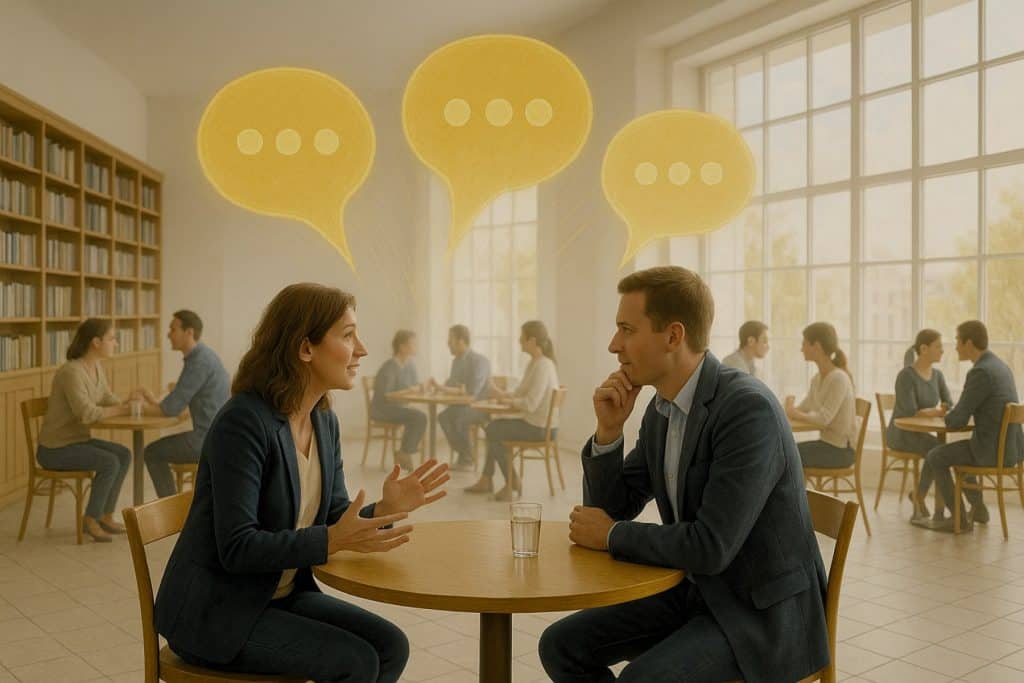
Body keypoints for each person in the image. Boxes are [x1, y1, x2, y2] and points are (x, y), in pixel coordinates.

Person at [538, 266, 828, 682]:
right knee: (560, 645)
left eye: (626, 329)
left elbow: (710, 546)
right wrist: (609, 432)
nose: (614, 345)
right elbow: (609, 509)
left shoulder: (747, 410)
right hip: (698, 592)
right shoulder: (661, 410)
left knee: (641, 680)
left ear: (674, 336)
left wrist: (612, 535)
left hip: (760, 615)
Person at [154, 283, 450, 682]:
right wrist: (331, 539)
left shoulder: (323, 422)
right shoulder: (242, 423)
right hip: (217, 612)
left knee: (391, 646)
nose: (362, 349)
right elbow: (237, 548)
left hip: (276, 595)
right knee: (355, 662)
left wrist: (385, 509)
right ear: (305, 348)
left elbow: (333, 518)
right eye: (348, 335)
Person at [914, 320, 1023, 532]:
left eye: (957, 341)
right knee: (959, 453)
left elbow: (957, 420)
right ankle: (979, 510)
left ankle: (959, 519)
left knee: (936, 456)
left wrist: (946, 413)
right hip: (1012, 450)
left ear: (969, 343)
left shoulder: (980, 372)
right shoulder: (1000, 366)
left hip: (991, 451)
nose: (955, 347)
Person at [36, 318, 132, 543]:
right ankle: (90, 519)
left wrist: (127, 403)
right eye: (112, 339)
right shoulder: (71, 372)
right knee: (110, 462)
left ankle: (106, 516)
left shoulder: (95, 367)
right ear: (96, 342)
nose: (115, 343)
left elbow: (105, 397)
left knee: (124, 454)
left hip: (77, 441)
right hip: (54, 449)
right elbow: (86, 413)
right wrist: (121, 409)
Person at [133, 310, 230, 497]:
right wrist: (152, 401)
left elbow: (170, 408)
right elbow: (175, 403)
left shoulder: (198, 362)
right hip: (218, 436)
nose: (168, 334)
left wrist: (135, 407)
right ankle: (172, 508)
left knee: (152, 452)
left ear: (189, 332)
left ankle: (171, 510)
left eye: (173, 329)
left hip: (207, 439)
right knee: (155, 451)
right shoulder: (204, 356)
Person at [464, 321, 559, 502]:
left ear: (532, 340)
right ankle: (489, 479)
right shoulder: (535, 363)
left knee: (493, 429)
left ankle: (510, 481)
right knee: (493, 428)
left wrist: (506, 400)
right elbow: (520, 393)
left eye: (522, 337)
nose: (519, 340)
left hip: (539, 428)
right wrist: (502, 395)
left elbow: (530, 404)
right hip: (536, 424)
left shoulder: (543, 366)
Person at [888, 329, 953, 518]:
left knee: (938, 450)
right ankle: (924, 497)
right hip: (900, 434)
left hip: (920, 434)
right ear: (924, 349)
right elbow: (910, 412)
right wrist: (937, 411)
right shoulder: (906, 376)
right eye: (938, 346)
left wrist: (936, 410)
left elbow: (948, 402)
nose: (942, 351)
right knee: (937, 450)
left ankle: (920, 495)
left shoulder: (938, 375)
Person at [785, 322, 858, 470]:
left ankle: (794, 486)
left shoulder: (839, 378)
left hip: (841, 451)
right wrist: (789, 408)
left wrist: (794, 412)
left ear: (817, 346)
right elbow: (804, 408)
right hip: (826, 445)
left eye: (804, 344)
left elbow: (824, 419)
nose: (801, 349)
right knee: (782, 452)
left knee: (784, 455)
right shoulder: (817, 379)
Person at [429, 324, 491, 472]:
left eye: (450, 340)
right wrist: (441, 388)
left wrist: (447, 388)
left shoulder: (479, 361)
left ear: (461, 341)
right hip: (462, 406)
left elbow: (472, 392)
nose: (448, 343)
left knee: (459, 417)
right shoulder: (456, 361)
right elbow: (453, 384)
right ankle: (465, 454)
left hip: (479, 407)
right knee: (444, 417)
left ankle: (466, 458)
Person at [370, 330, 426, 471]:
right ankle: (404, 453)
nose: (416, 347)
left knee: (419, 416)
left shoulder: (410, 365)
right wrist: (410, 390)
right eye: (413, 344)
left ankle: (403, 452)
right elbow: (387, 395)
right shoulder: (389, 367)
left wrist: (421, 387)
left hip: (398, 407)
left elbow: (414, 386)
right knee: (419, 417)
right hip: (382, 409)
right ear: (402, 347)